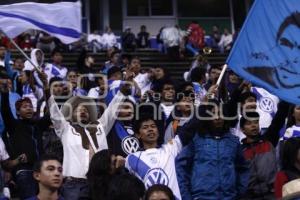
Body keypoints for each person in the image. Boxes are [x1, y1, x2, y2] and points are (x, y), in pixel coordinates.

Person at [40, 71, 131, 200]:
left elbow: (113, 109)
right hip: (73, 184)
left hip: (102, 182)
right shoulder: (65, 129)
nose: (82, 110)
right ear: (72, 115)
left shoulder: (100, 126)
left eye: (86, 109)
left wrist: (124, 88)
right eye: (78, 109)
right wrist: (45, 86)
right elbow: (54, 111)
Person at [176, 98, 249, 200]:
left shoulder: (233, 142)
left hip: (229, 197)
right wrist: (186, 196)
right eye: (213, 113)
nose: (218, 117)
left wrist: (240, 192)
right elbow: (181, 165)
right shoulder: (197, 140)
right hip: (202, 197)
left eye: (220, 113)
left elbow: (243, 168)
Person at [125, 113, 197, 200]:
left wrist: (205, 106)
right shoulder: (131, 158)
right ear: (138, 135)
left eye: (153, 126)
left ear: (158, 132)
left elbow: (189, 129)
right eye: (145, 127)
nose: (150, 129)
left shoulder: (171, 148)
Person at [1, 85, 51, 199]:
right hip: (24, 170)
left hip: (41, 171)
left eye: (30, 106)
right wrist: (4, 94)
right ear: (18, 112)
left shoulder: (38, 126)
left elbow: (51, 113)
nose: (29, 108)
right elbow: (5, 111)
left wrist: (47, 89)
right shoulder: (13, 125)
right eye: (24, 107)